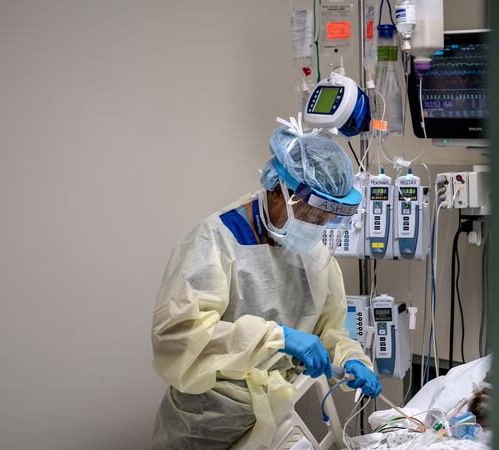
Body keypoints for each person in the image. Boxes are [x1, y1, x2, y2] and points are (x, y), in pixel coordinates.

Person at [150, 122, 382, 449]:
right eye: (311, 216)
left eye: (325, 220)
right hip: (206, 421)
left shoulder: (311, 254)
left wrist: (351, 359)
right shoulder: (214, 241)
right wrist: (278, 338)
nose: (316, 228)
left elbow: (331, 330)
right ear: (277, 191)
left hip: (273, 413)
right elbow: (178, 334)